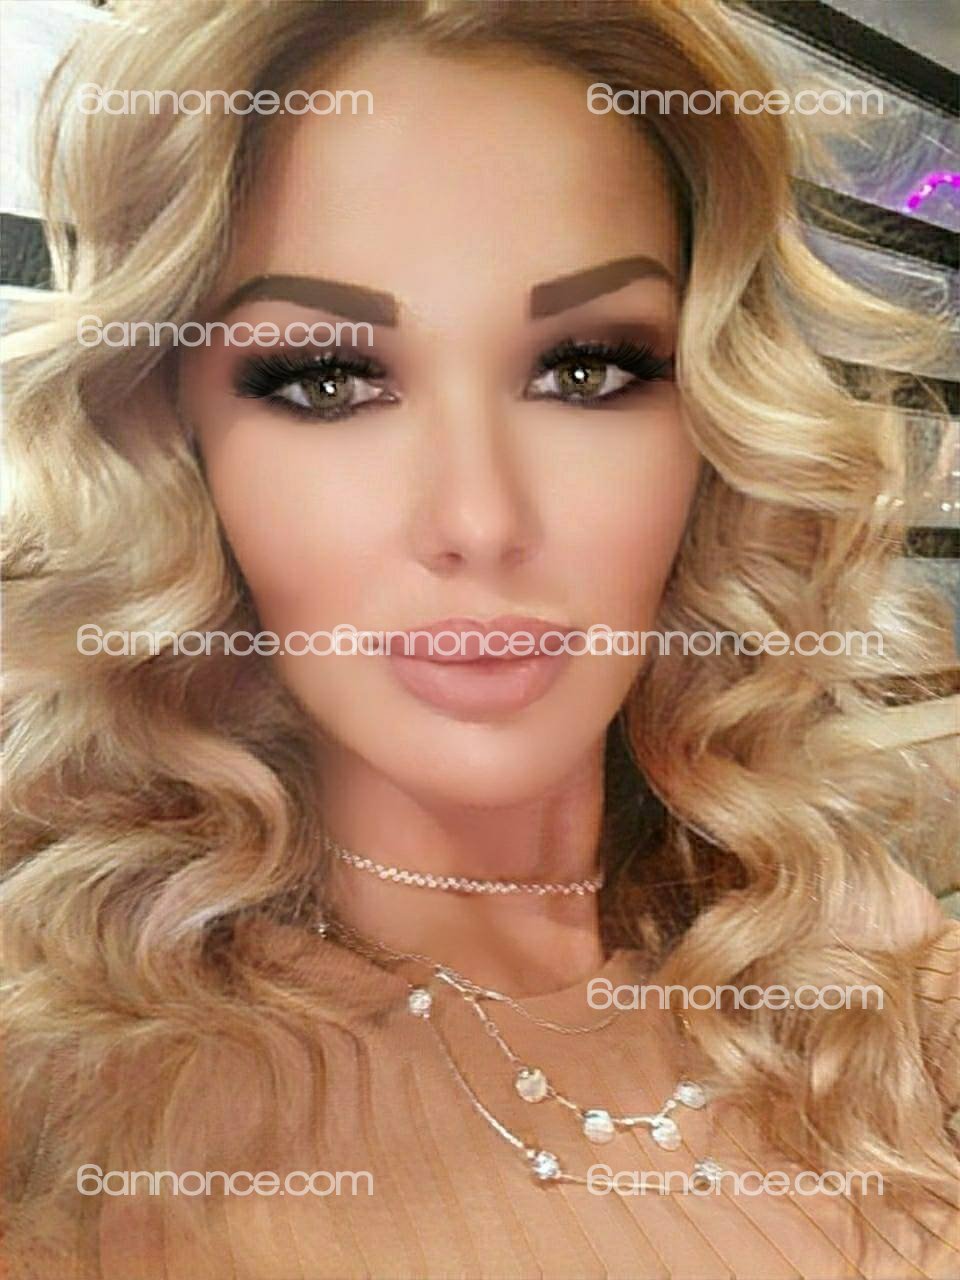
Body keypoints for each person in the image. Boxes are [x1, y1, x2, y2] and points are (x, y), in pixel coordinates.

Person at [3, 2, 957, 1276]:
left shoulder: (850, 939)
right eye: (329, 379)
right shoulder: (71, 1091)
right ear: (175, 446)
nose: (479, 520)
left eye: (586, 370)